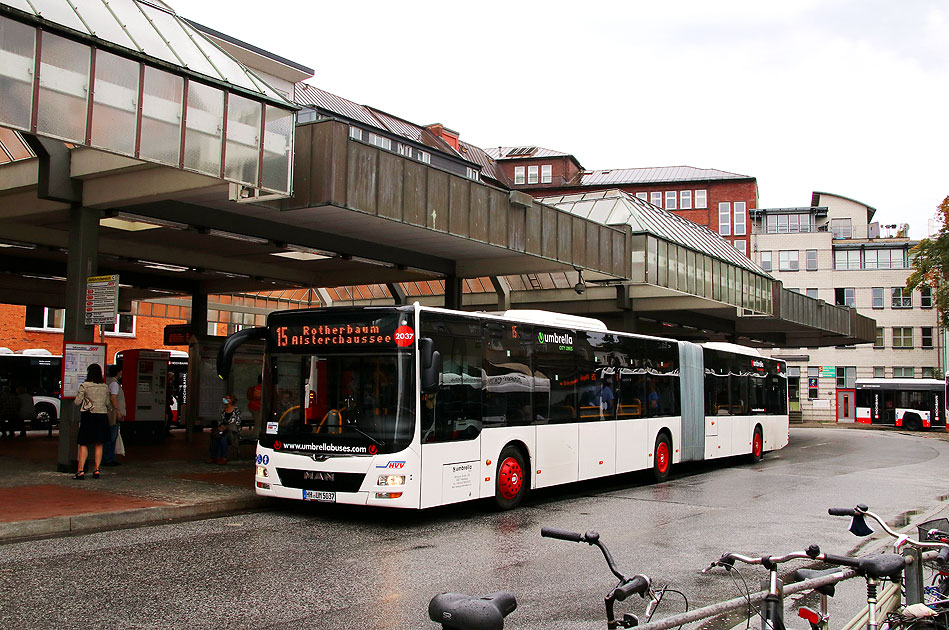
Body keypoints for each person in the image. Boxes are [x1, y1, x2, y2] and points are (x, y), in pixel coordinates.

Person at [73, 363, 111, 480]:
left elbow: (77, 402)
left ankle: (80, 471)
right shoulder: (105, 387)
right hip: (102, 416)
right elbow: (108, 403)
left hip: (89, 416)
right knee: (99, 443)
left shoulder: (85, 386)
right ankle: (97, 470)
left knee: (84, 443)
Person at [103, 365, 126, 466]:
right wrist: (118, 411)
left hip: (110, 412)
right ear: (118, 372)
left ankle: (109, 457)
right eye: (121, 371)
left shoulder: (110, 382)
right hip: (113, 413)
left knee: (111, 435)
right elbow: (113, 398)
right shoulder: (115, 384)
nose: (121, 373)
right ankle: (108, 458)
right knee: (112, 436)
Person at [209, 394, 241, 464]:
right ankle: (213, 456)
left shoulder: (236, 410)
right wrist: (220, 426)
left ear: (231, 400)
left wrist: (227, 427)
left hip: (232, 431)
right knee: (215, 438)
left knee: (224, 438)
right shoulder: (223, 411)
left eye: (227, 398)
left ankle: (224, 457)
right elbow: (220, 421)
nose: (225, 400)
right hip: (223, 430)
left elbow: (237, 422)